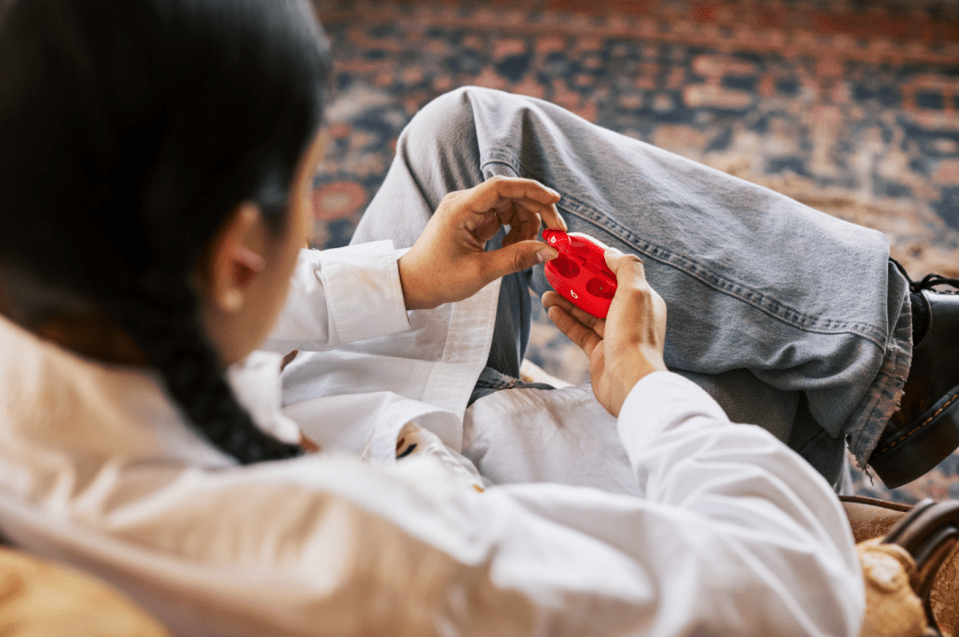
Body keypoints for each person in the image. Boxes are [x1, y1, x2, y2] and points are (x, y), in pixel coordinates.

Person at [1, 0, 957, 635]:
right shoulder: (376, 560)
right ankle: (898, 367)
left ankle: (905, 356)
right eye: (301, 184)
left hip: (315, 414)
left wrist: (407, 279)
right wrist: (651, 394)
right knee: (748, 388)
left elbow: (217, 283)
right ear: (236, 256)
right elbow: (787, 585)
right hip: (451, 493)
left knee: (466, 136)